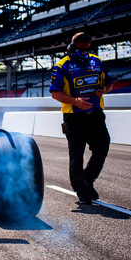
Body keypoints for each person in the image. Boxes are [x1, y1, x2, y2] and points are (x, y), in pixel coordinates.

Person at [49, 33, 113, 204]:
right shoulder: (62, 66)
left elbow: (109, 83)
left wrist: (104, 90)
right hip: (74, 117)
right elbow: (55, 93)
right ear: (72, 47)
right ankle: (81, 190)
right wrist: (75, 101)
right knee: (77, 156)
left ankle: (87, 178)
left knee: (103, 147)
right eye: (81, 48)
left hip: (96, 115)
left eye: (87, 48)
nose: (85, 51)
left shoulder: (97, 61)